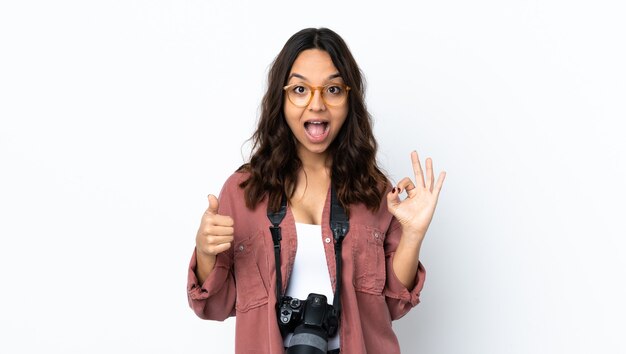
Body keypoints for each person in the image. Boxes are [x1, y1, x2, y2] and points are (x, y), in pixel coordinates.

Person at [187, 27, 446, 354]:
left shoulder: (375, 192)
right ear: (280, 99)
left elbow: (393, 305)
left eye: (333, 89)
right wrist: (206, 252)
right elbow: (213, 306)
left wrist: (413, 234)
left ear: (349, 99)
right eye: (299, 89)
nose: (317, 104)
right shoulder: (243, 192)